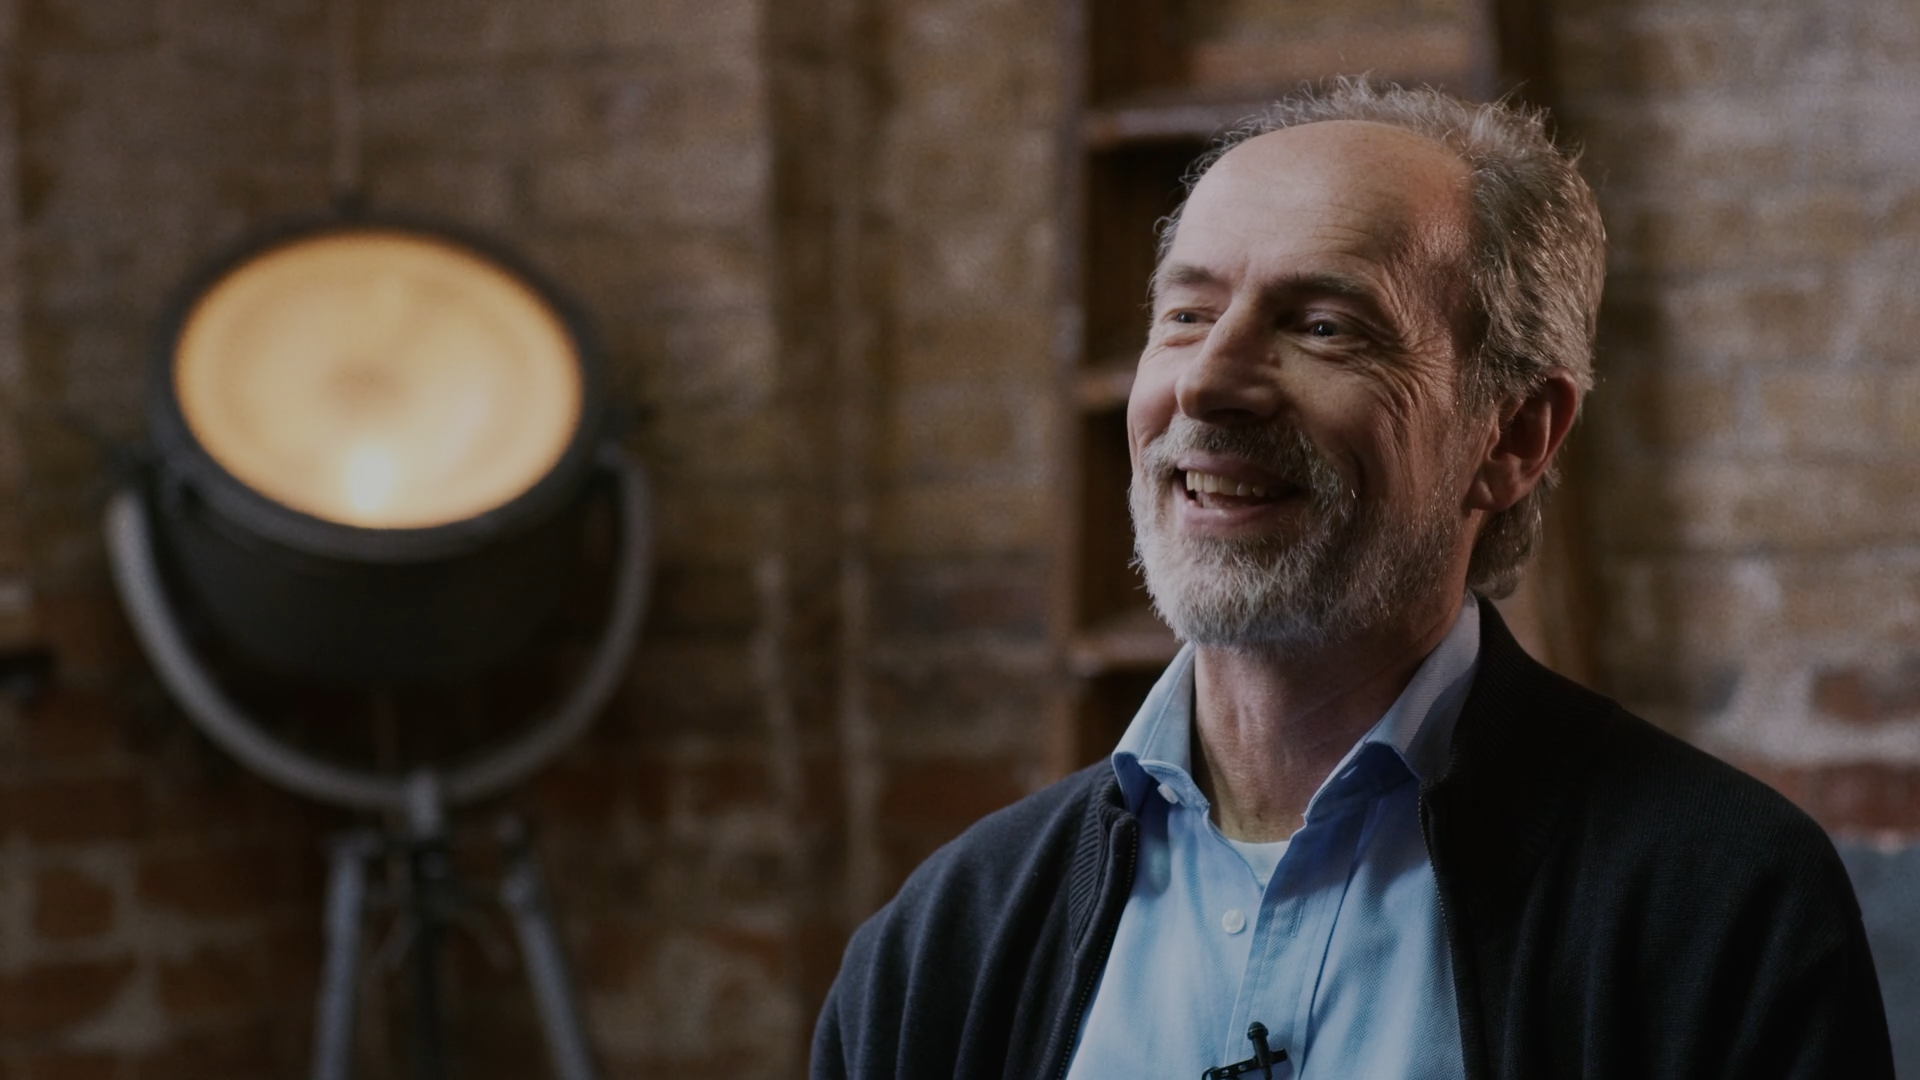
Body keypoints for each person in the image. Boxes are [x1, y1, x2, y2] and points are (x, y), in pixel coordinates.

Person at [811, 79, 1895, 1080]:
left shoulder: (1722, 908)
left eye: (1324, 327)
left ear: (1513, 435)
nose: (1212, 380)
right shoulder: (942, 943)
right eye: (1186, 314)